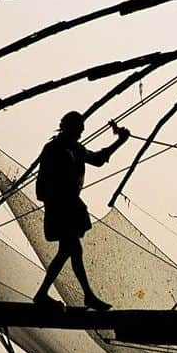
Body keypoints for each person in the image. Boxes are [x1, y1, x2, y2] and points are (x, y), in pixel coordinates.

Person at [32, 111, 129, 310]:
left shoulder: (75, 149)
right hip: (59, 206)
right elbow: (42, 185)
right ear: (67, 127)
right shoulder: (53, 148)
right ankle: (84, 295)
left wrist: (120, 141)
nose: (79, 134)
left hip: (70, 205)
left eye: (81, 131)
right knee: (71, 248)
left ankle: (48, 294)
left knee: (70, 249)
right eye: (78, 130)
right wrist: (55, 198)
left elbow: (99, 159)